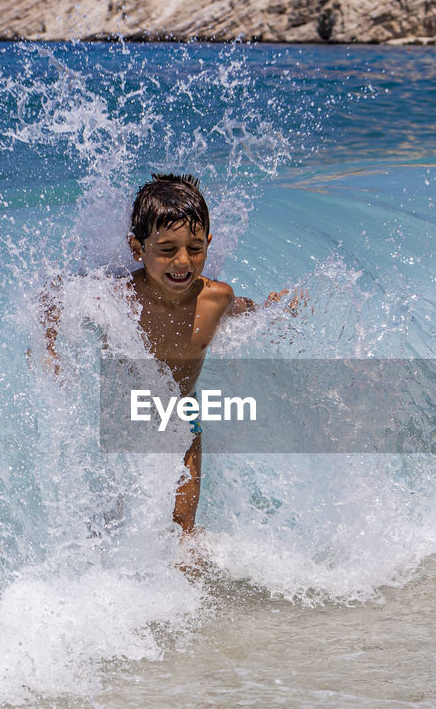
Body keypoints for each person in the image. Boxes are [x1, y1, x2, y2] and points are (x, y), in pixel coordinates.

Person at [40, 174, 294, 571]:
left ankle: (184, 605)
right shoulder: (120, 295)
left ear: (208, 243)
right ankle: (99, 584)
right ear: (137, 249)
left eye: (194, 249)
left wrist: (270, 310)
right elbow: (57, 296)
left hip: (182, 417)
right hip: (125, 416)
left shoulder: (216, 297)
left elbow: (239, 307)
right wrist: (49, 346)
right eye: (167, 249)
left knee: (183, 532)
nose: (182, 262)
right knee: (111, 525)